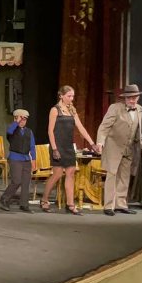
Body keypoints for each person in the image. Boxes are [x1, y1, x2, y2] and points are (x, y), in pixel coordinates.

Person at [40, 85, 98, 215]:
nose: (71, 98)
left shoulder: (72, 110)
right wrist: (54, 149)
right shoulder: (55, 110)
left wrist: (92, 143)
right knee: (57, 174)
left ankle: (70, 204)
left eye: (72, 96)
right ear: (61, 96)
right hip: (57, 146)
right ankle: (44, 199)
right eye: (69, 96)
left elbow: (81, 128)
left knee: (70, 174)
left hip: (68, 147)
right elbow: (50, 131)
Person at [96, 84, 142, 217]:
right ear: (125, 98)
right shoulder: (115, 108)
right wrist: (100, 142)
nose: (132, 100)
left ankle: (120, 204)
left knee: (124, 177)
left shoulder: (139, 109)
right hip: (113, 147)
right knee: (112, 176)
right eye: (129, 98)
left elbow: (138, 132)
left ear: (138, 98)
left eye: (134, 97)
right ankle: (109, 206)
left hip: (129, 148)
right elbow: (104, 126)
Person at [0, 109, 36, 214]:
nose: (23, 121)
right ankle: (5, 198)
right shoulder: (12, 130)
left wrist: (33, 159)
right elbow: (9, 131)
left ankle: (24, 204)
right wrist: (16, 121)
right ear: (15, 118)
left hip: (26, 159)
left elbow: (32, 146)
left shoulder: (29, 131)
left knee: (26, 182)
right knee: (16, 181)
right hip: (15, 158)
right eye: (21, 119)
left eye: (25, 119)